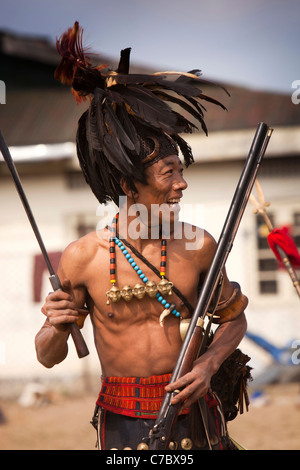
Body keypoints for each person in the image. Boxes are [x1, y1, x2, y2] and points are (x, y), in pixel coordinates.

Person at [35, 22, 250, 450]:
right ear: (129, 186)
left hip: (197, 420)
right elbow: (47, 355)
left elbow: (235, 319)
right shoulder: (83, 257)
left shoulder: (200, 245)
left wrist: (207, 365)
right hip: (123, 428)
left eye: (181, 171)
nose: (181, 185)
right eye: (168, 173)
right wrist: (58, 328)